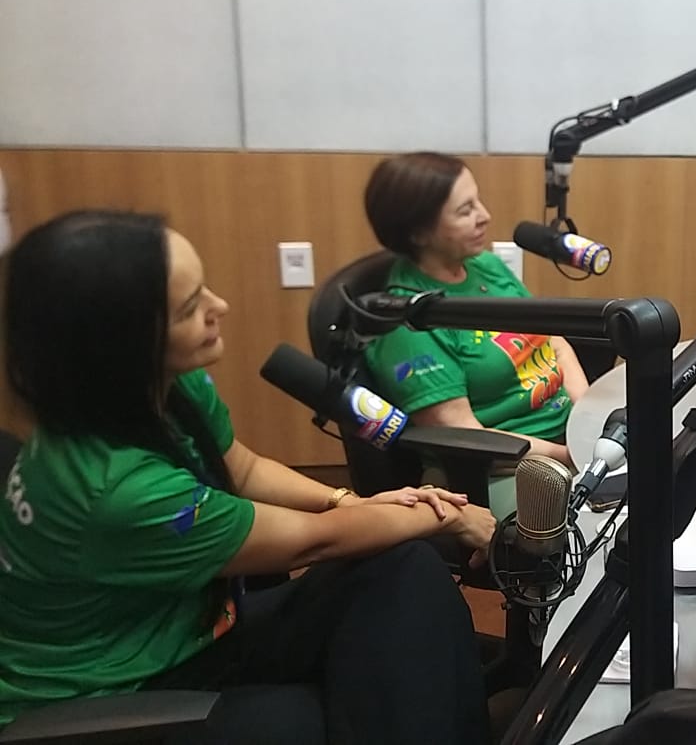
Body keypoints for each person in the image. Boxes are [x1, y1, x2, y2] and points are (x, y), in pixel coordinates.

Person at [0, 210, 497, 744]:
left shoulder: (163, 388)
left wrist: (348, 502)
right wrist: (448, 515)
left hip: (187, 628)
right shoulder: (116, 489)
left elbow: (241, 468)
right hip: (113, 690)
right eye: (190, 308)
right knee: (310, 717)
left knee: (404, 568)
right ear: (119, 344)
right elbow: (312, 542)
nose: (220, 306)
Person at [362, 153, 590, 478]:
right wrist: (571, 456)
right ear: (418, 233)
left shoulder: (486, 266)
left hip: (571, 440)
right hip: (511, 469)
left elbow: (554, 342)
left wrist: (588, 418)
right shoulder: (408, 325)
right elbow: (463, 435)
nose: (485, 216)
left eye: (478, 201)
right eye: (465, 210)